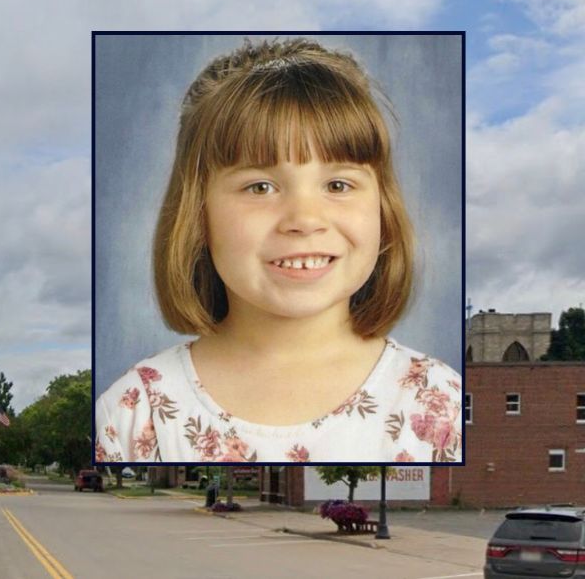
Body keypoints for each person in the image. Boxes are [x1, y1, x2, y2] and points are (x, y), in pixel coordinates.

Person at [95, 38, 462, 463]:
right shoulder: (136, 412)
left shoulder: (439, 402)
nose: (305, 219)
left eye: (338, 185)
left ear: (382, 208)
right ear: (198, 213)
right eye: (260, 186)